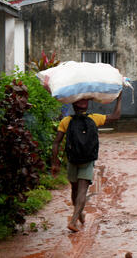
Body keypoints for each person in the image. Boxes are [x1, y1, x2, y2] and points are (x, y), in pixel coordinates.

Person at [51, 95, 122, 232]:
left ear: (73, 105)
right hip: (87, 160)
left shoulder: (66, 121)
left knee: (74, 189)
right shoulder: (94, 118)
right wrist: (119, 98)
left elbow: (56, 143)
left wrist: (55, 163)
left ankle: (79, 214)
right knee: (82, 191)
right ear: (87, 106)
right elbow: (116, 115)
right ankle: (73, 220)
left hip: (72, 159)